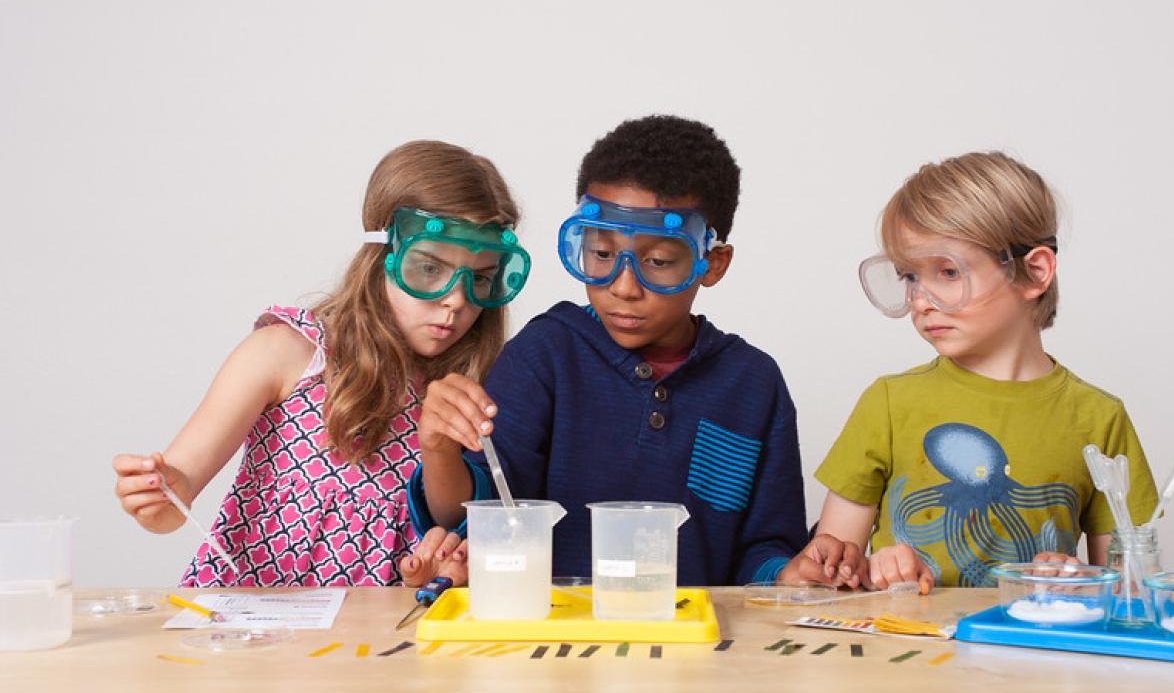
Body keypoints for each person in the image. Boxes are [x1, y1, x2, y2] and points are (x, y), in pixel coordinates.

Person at [409, 114, 820, 585]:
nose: (623, 287)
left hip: (697, 647)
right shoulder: (547, 354)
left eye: (659, 261)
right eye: (602, 255)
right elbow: (476, 513)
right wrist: (438, 452)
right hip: (552, 645)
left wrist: (788, 574)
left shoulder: (753, 384)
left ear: (712, 263)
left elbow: (765, 548)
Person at [112, 140, 531, 587]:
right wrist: (160, 496)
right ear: (380, 255)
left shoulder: (477, 385)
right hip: (255, 633)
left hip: (386, 638)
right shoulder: (285, 352)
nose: (456, 300)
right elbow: (176, 492)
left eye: (481, 278)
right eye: (429, 269)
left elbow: (456, 522)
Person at [794, 151, 1158, 591]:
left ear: (1033, 272)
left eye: (948, 272)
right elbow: (829, 574)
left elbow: (1132, 594)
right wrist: (872, 568)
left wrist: (1082, 582)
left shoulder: (1100, 418)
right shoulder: (888, 403)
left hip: (1034, 655)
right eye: (909, 276)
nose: (920, 300)